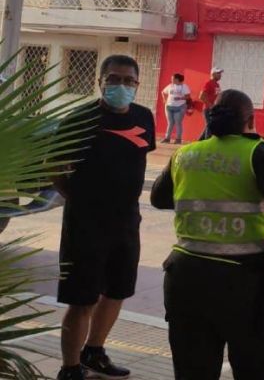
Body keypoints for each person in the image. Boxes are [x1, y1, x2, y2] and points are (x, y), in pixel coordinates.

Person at [150, 89, 264, 380]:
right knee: (257, 369)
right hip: (244, 281)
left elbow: (159, 198)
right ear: (250, 120)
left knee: (193, 371)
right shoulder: (260, 153)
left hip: (185, 279)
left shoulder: (185, 154)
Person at [52, 54, 156, 380]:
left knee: (117, 291)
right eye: (113, 79)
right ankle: (70, 368)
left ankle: (94, 352)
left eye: (128, 81)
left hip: (126, 222)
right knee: (81, 299)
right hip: (85, 224)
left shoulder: (144, 117)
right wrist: (78, 198)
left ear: (137, 85)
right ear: (100, 81)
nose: (121, 86)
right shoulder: (80, 119)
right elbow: (54, 166)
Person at [161, 73, 191, 144]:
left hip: (180, 107)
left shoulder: (184, 87)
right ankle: (167, 138)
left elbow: (188, 97)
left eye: (173, 78)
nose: (171, 80)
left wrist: (180, 98)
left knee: (178, 123)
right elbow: (163, 92)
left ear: (177, 79)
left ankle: (178, 139)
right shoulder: (170, 86)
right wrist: (164, 100)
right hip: (169, 106)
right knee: (170, 123)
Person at [198, 67, 223, 140]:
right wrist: (210, 105)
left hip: (214, 109)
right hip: (208, 109)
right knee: (210, 126)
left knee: (208, 126)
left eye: (220, 73)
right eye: (218, 73)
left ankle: (198, 142)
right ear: (213, 74)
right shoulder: (208, 83)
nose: (220, 75)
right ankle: (206, 144)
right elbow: (201, 96)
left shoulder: (217, 84)